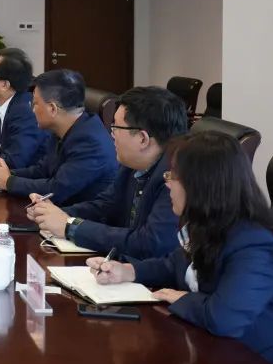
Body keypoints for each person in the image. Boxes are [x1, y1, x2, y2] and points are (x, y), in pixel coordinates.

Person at [88, 131, 273, 364]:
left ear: (201, 185)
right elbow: (176, 265)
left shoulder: (255, 243)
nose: (167, 182)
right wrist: (128, 271)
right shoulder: (210, 224)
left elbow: (224, 319)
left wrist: (183, 298)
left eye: (174, 176)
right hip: (221, 355)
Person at [28, 86, 185, 258]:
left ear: (142, 139)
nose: (112, 135)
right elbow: (105, 206)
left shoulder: (175, 179)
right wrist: (53, 213)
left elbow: (148, 243)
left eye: (116, 127)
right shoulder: (132, 163)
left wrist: (69, 226)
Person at [0, 69, 114, 205]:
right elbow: (42, 170)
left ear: (52, 108)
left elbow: (56, 189)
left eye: (35, 104)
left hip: (78, 216)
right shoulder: (62, 128)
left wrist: (7, 181)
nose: (32, 110)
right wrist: (2, 173)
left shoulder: (90, 143)